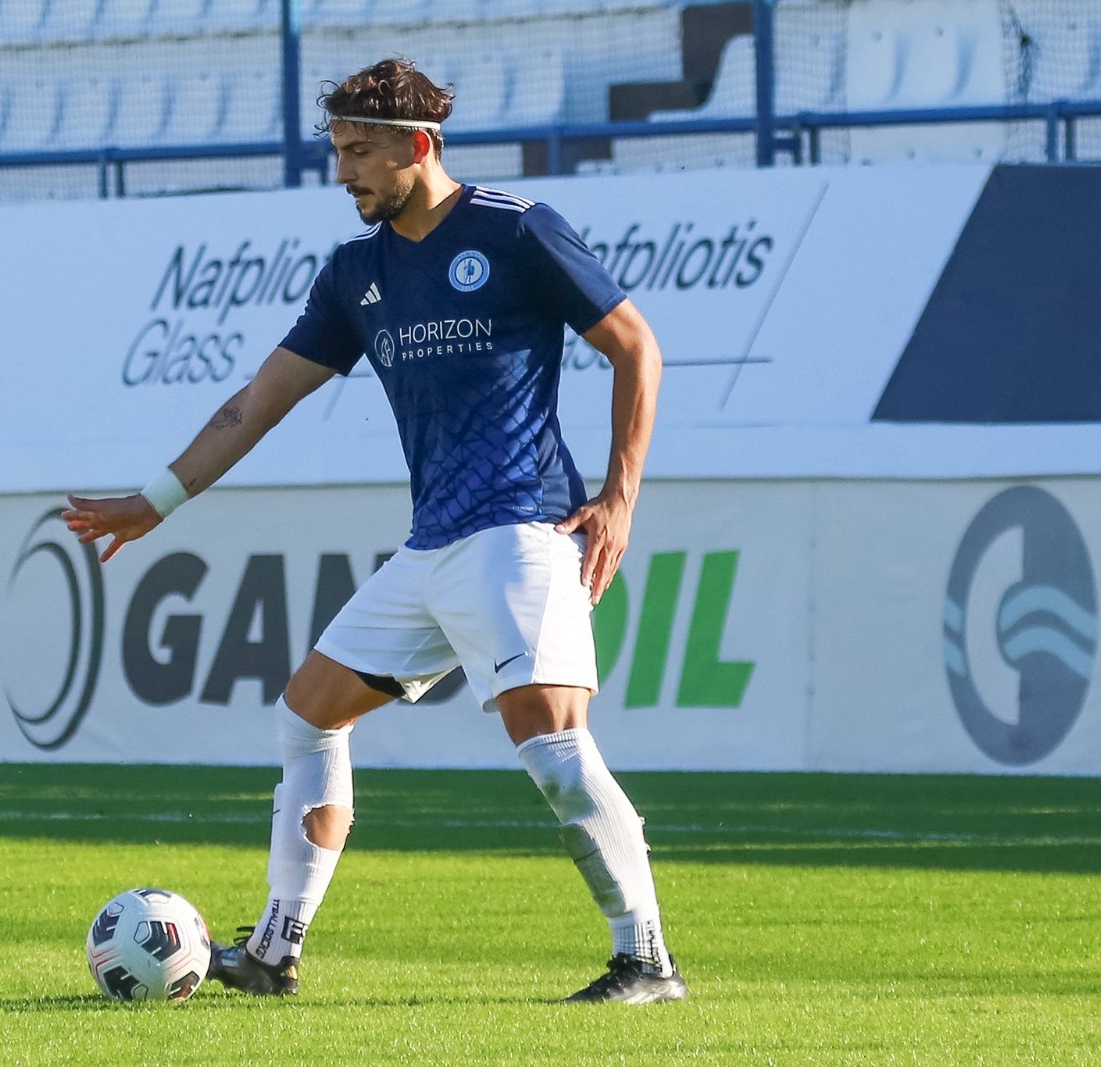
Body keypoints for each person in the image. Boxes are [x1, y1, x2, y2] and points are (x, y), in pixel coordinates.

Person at [63, 57, 685, 1004]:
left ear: (417, 145)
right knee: (308, 712)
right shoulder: (357, 273)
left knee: (554, 741)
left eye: (359, 152)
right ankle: (274, 949)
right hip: (431, 548)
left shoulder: (515, 230)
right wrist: (156, 499)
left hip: (520, 531)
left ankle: (646, 959)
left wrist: (620, 498)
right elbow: (258, 401)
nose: (343, 171)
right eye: (338, 150)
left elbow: (636, 345)